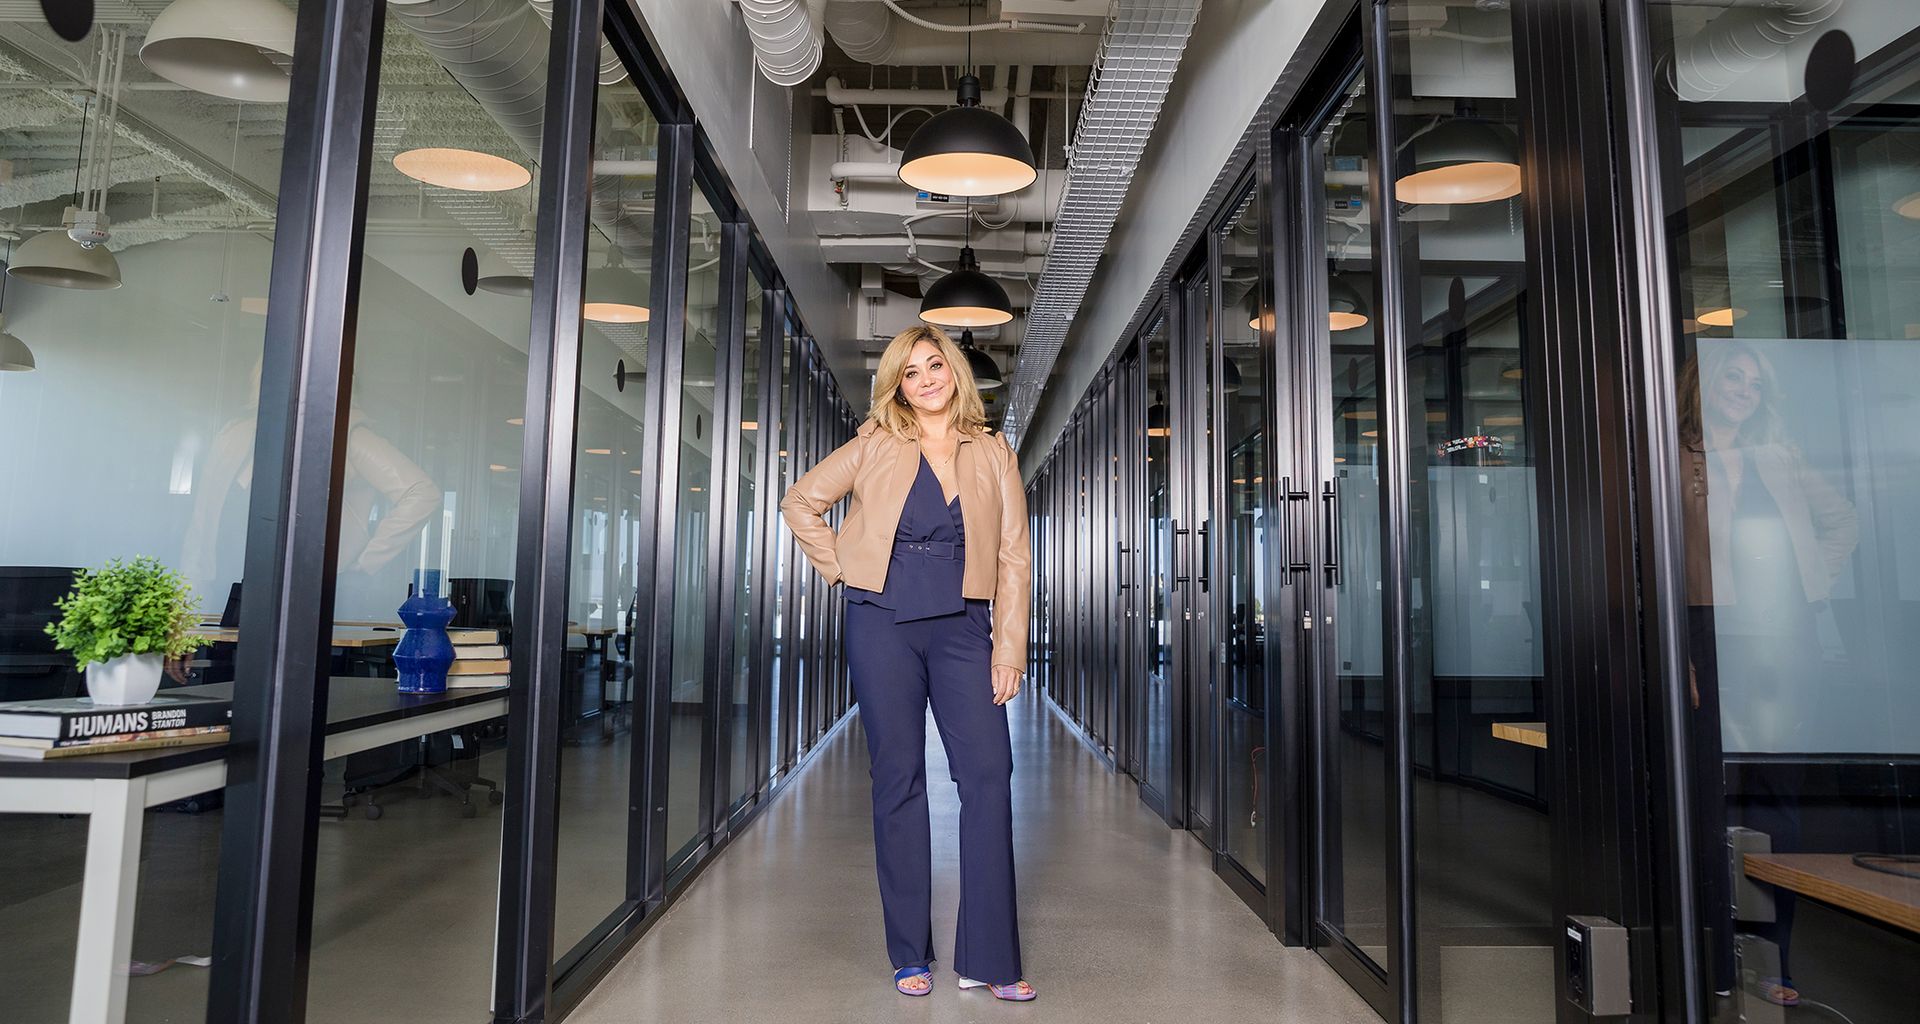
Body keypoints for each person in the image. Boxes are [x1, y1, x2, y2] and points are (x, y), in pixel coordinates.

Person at [779, 325, 1036, 1002]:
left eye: (934, 365)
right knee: (898, 779)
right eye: (910, 373)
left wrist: (1008, 647)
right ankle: (908, 953)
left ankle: (991, 957)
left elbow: (1014, 556)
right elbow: (800, 502)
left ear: (954, 370)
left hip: (963, 628)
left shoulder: (993, 451)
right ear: (896, 386)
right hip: (882, 626)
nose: (925, 379)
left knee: (987, 773)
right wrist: (847, 573)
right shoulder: (876, 446)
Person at [1678, 341, 1857, 1011]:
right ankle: (1715, 946)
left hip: (1785, 644)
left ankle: (1774, 955)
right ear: (1709, 382)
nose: (1743, 389)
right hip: (1705, 638)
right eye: (1734, 376)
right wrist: (1682, 655)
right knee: (1708, 799)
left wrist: (1812, 583)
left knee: (1778, 800)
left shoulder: (1779, 456)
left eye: (1755, 382)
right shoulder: (1676, 455)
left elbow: (1843, 518)